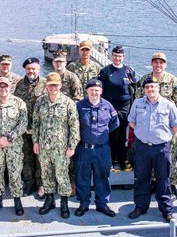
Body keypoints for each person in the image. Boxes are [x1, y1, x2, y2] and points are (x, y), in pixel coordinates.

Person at [127, 76, 177, 223]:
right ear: (144, 90)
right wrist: (143, 134)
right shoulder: (138, 104)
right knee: (141, 178)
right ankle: (140, 207)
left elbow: (176, 126)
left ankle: (166, 210)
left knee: (163, 179)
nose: (150, 89)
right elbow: (132, 122)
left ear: (158, 88)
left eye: (153, 87)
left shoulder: (168, 105)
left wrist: (162, 136)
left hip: (161, 148)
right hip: (143, 147)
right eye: (147, 87)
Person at [134, 52, 177, 193]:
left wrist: (170, 122)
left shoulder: (173, 81)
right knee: (150, 157)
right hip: (148, 127)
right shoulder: (144, 80)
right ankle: (154, 182)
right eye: (155, 62)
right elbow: (138, 102)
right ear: (151, 64)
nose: (158, 65)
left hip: (166, 127)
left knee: (169, 156)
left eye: (161, 62)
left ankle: (170, 184)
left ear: (165, 64)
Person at [33, 72, 80, 218]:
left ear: (60, 85)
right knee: (46, 174)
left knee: (62, 175)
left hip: (61, 148)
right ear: (46, 86)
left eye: (55, 85)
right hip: (44, 146)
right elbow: (35, 124)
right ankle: (49, 200)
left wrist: (72, 146)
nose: (53, 87)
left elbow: (74, 126)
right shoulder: (40, 102)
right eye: (50, 85)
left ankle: (64, 203)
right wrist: (35, 141)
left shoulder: (68, 103)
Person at [0, 77, 28, 216]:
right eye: (0, 86)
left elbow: (23, 124)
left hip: (13, 144)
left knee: (15, 172)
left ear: (10, 88)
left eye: (6, 86)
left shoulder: (19, 103)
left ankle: (17, 199)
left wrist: (8, 138)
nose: (3, 89)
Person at [74, 79, 119, 217]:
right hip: (84, 149)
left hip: (102, 149)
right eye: (91, 89)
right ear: (86, 91)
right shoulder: (79, 106)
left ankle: (102, 204)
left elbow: (114, 123)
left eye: (97, 90)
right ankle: (83, 204)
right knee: (82, 177)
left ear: (101, 91)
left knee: (103, 177)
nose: (94, 92)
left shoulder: (108, 106)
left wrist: (101, 136)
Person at [98, 45, 137, 170]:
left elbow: (134, 90)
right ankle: (110, 160)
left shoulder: (128, 71)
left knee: (122, 136)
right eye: (115, 55)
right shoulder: (105, 71)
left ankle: (121, 160)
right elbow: (100, 91)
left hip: (124, 108)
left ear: (123, 57)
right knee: (110, 135)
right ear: (111, 56)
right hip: (109, 107)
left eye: (120, 56)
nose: (117, 58)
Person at [13, 57, 47, 197]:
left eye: (33, 68)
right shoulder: (20, 85)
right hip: (24, 128)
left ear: (38, 69)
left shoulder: (46, 84)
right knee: (26, 157)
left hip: (41, 129)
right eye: (28, 69)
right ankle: (28, 182)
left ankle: (41, 184)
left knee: (41, 157)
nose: (31, 71)